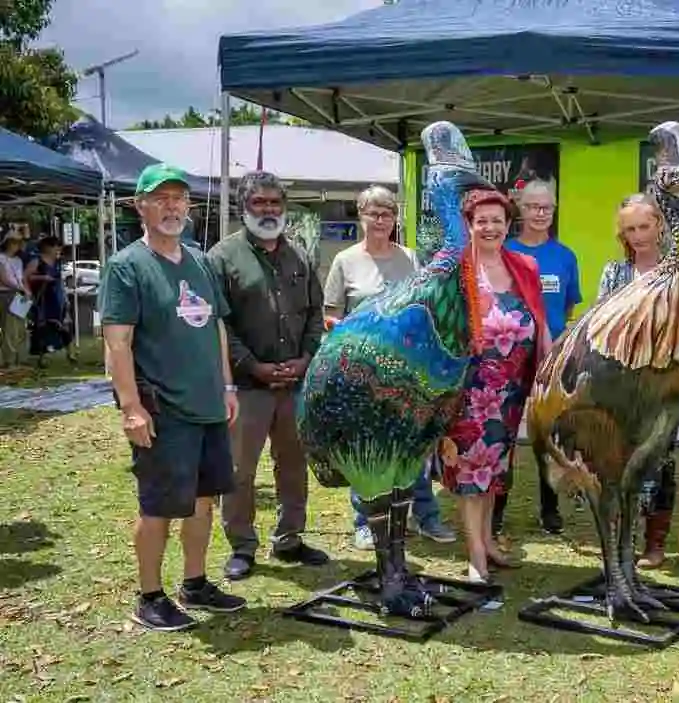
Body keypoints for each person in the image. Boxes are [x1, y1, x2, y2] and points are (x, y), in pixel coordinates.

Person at [98, 163, 245, 632]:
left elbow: (217, 327)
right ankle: (149, 596)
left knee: (203, 501)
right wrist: (130, 407)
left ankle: (195, 582)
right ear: (140, 206)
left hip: (208, 406)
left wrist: (226, 386)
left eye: (179, 198)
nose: (172, 206)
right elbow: (117, 342)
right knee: (159, 505)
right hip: (163, 410)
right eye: (160, 198)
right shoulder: (127, 267)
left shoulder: (200, 261)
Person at [207, 171, 329, 581]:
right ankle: (242, 546)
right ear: (244, 207)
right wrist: (251, 365)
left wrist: (308, 358)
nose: (268, 209)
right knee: (240, 470)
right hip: (246, 386)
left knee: (293, 465)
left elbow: (315, 314)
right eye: (259, 202)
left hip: (295, 384)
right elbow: (218, 323)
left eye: (275, 202)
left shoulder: (300, 256)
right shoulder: (222, 258)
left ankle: (290, 539)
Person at [324, 185, 455, 549]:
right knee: (368, 449)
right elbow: (331, 316)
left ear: (395, 219)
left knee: (414, 445)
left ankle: (427, 517)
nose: (380, 220)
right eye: (373, 213)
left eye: (387, 214)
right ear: (360, 215)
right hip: (362, 373)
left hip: (407, 372)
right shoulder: (344, 261)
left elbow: (424, 309)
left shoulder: (411, 259)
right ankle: (366, 521)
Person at [433, 188, 549, 584]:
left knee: (494, 470)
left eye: (496, 220)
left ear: (507, 224)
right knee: (469, 472)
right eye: (481, 220)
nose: (489, 227)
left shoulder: (524, 266)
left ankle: (487, 540)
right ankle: (476, 555)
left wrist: (545, 369)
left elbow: (540, 320)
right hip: (469, 391)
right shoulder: (455, 270)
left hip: (511, 392)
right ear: (468, 225)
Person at [596, 193, 678, 569]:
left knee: (659, 460)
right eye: (630, 229)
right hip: (620, 383)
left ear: (659, 226)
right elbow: (598, 324)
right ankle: (617, 536)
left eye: (644, 226)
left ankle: (655, 543)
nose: (639, 235)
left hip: (664, 381)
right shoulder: (614, 273)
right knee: (616, 462)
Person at [503, 179, 582, 535]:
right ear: (520, 208)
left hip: (551, 360)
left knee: (548, 436)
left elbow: (566, 308)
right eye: (533, 206)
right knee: (501, 436)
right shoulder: (503, 251)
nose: (540, 213)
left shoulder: (565, 256)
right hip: (506, 359)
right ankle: (496, 509)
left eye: (547, 207)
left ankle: (550, 508)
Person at [23, 235, 74, 367]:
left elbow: (60, 282)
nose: (58, 250)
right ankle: (43, 356)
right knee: (43, 327)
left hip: (57, 298)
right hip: (44, 298)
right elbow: (26, 277)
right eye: (56, 247)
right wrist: (43, 278)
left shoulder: (57, 262)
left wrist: (65, 298)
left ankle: (70, 352)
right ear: (48, 247)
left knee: (63, 326)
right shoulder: (37, 261)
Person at [0, 229, 28, 367]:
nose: (18, 246)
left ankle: (20, 358)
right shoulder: (1, 258)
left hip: (18, 295)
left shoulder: (18, 261)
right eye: (15, 242)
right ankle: (8, 360)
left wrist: (26, 290)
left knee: (20, 328)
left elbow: (21, 279)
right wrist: (19, 288)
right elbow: (4, 279)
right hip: (6, 294)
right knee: (9, 328)